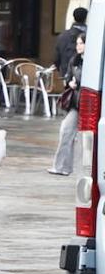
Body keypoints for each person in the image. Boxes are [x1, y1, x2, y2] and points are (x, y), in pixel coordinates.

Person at [50, 33, 86, 176]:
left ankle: (68, 167)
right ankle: (62, 167)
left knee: (82, 137)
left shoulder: (91, 62)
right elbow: (68, 76)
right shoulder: (74, 60)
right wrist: (70, 82)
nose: (78, 46)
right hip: (76, 103)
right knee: (66, 131)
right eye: (77, 43)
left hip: (87, 103)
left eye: (81, 43)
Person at [55, 7, 89, 73]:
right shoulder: (91, 36)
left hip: (65, 75)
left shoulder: (62, 36)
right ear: (86, 18)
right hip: (83, 75)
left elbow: (56, 59)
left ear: (73, 17)